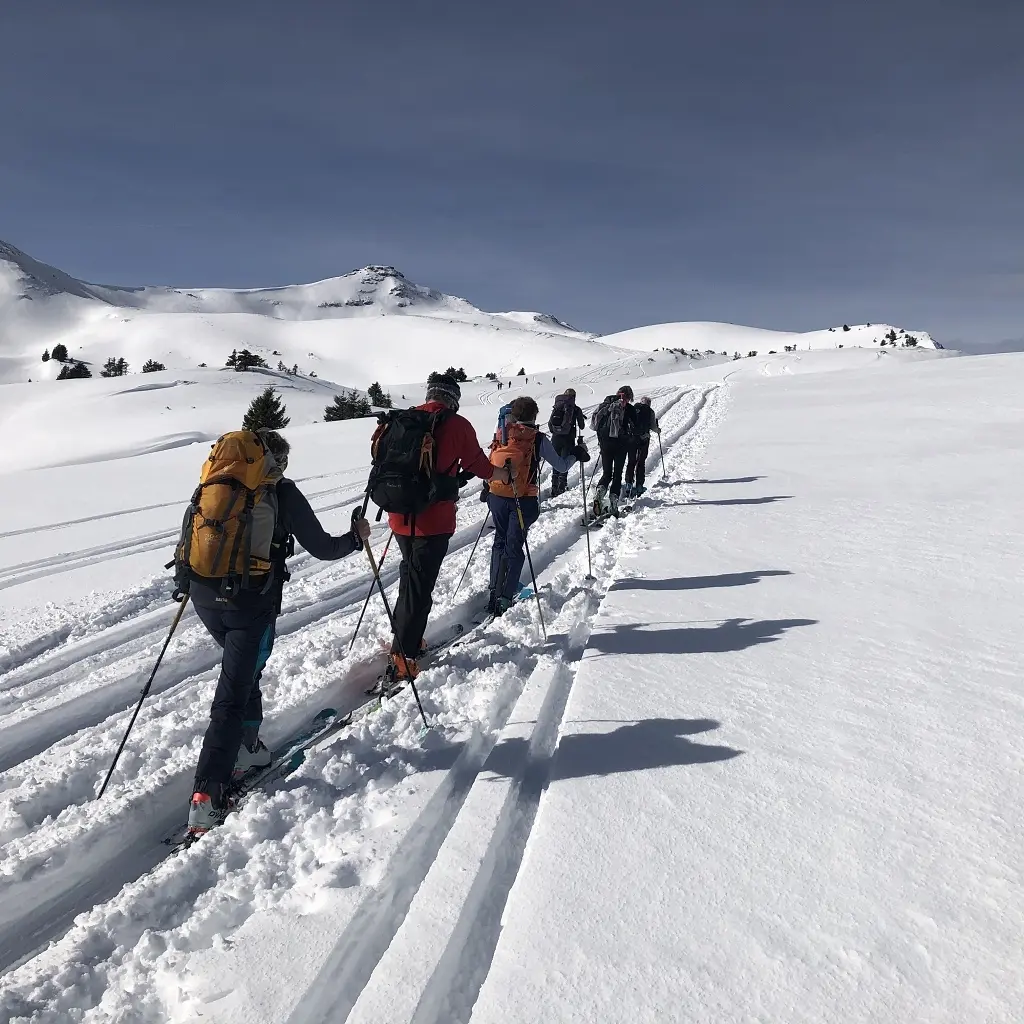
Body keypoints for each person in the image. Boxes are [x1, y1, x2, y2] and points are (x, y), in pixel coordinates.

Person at [184, 429, 371, 834]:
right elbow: (321, 546)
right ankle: (207, 794)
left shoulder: (212, 484)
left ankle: (249, 749)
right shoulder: (280, 491)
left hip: (203, 596)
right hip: (250, 601)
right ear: (274, 460)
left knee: (244, 670)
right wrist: (356, 540)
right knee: (231, 694)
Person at [384, 374, 511, 682]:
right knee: (419, 586)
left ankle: (404, 641)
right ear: (452, 397)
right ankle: (404, 658)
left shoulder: (404, 419)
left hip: (400, 515)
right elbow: (479, 465)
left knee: (410, 577)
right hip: (434, 521)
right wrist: (502, 476)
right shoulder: (457, 425)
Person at [486, 397, 589, 614]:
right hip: (523, 500)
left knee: (500, 542)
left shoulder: (502, 433)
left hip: (497, 497)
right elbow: (560, 466)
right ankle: (507, 596)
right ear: (534, 416)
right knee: (514, 547)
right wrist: (576, 455)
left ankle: (494, 591)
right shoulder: (537, 439)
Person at [591, 385, 637, 517]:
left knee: (606, 473)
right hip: (621, 446)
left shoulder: (606, 405)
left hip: (605, 444)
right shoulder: (629, 409)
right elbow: (635, 428)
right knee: (617, 475)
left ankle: (599, 494)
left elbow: (596, 424)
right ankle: (613, 503)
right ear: (629, 396)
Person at [546, 388, 587, 496]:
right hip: (568, 439)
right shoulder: (576, 409)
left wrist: (556, 432)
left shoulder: (557, 406)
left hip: (555, 438)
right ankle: (561, 485)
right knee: (564, 462)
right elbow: (582, 426)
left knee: (556, 460)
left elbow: (550, 424)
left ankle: (554, 486)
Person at [624, 396, 661, 498]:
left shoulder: (633, 408)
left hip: (631, 438)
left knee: (631, 461)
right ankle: (639, 486)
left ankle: (628, 484)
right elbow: (653, 427)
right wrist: (658, 430)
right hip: (644, 439)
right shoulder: (650, 411)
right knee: (641, 461)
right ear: (649, 403)